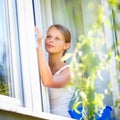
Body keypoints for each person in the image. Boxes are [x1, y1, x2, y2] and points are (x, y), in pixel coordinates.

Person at [35, 24, 74, 118]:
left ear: (66, 45)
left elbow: (48, 81)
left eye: (57, 38)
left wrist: (38, 46)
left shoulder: (70, 72)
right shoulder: (40, 66)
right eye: (49, 36)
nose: (51, 40)